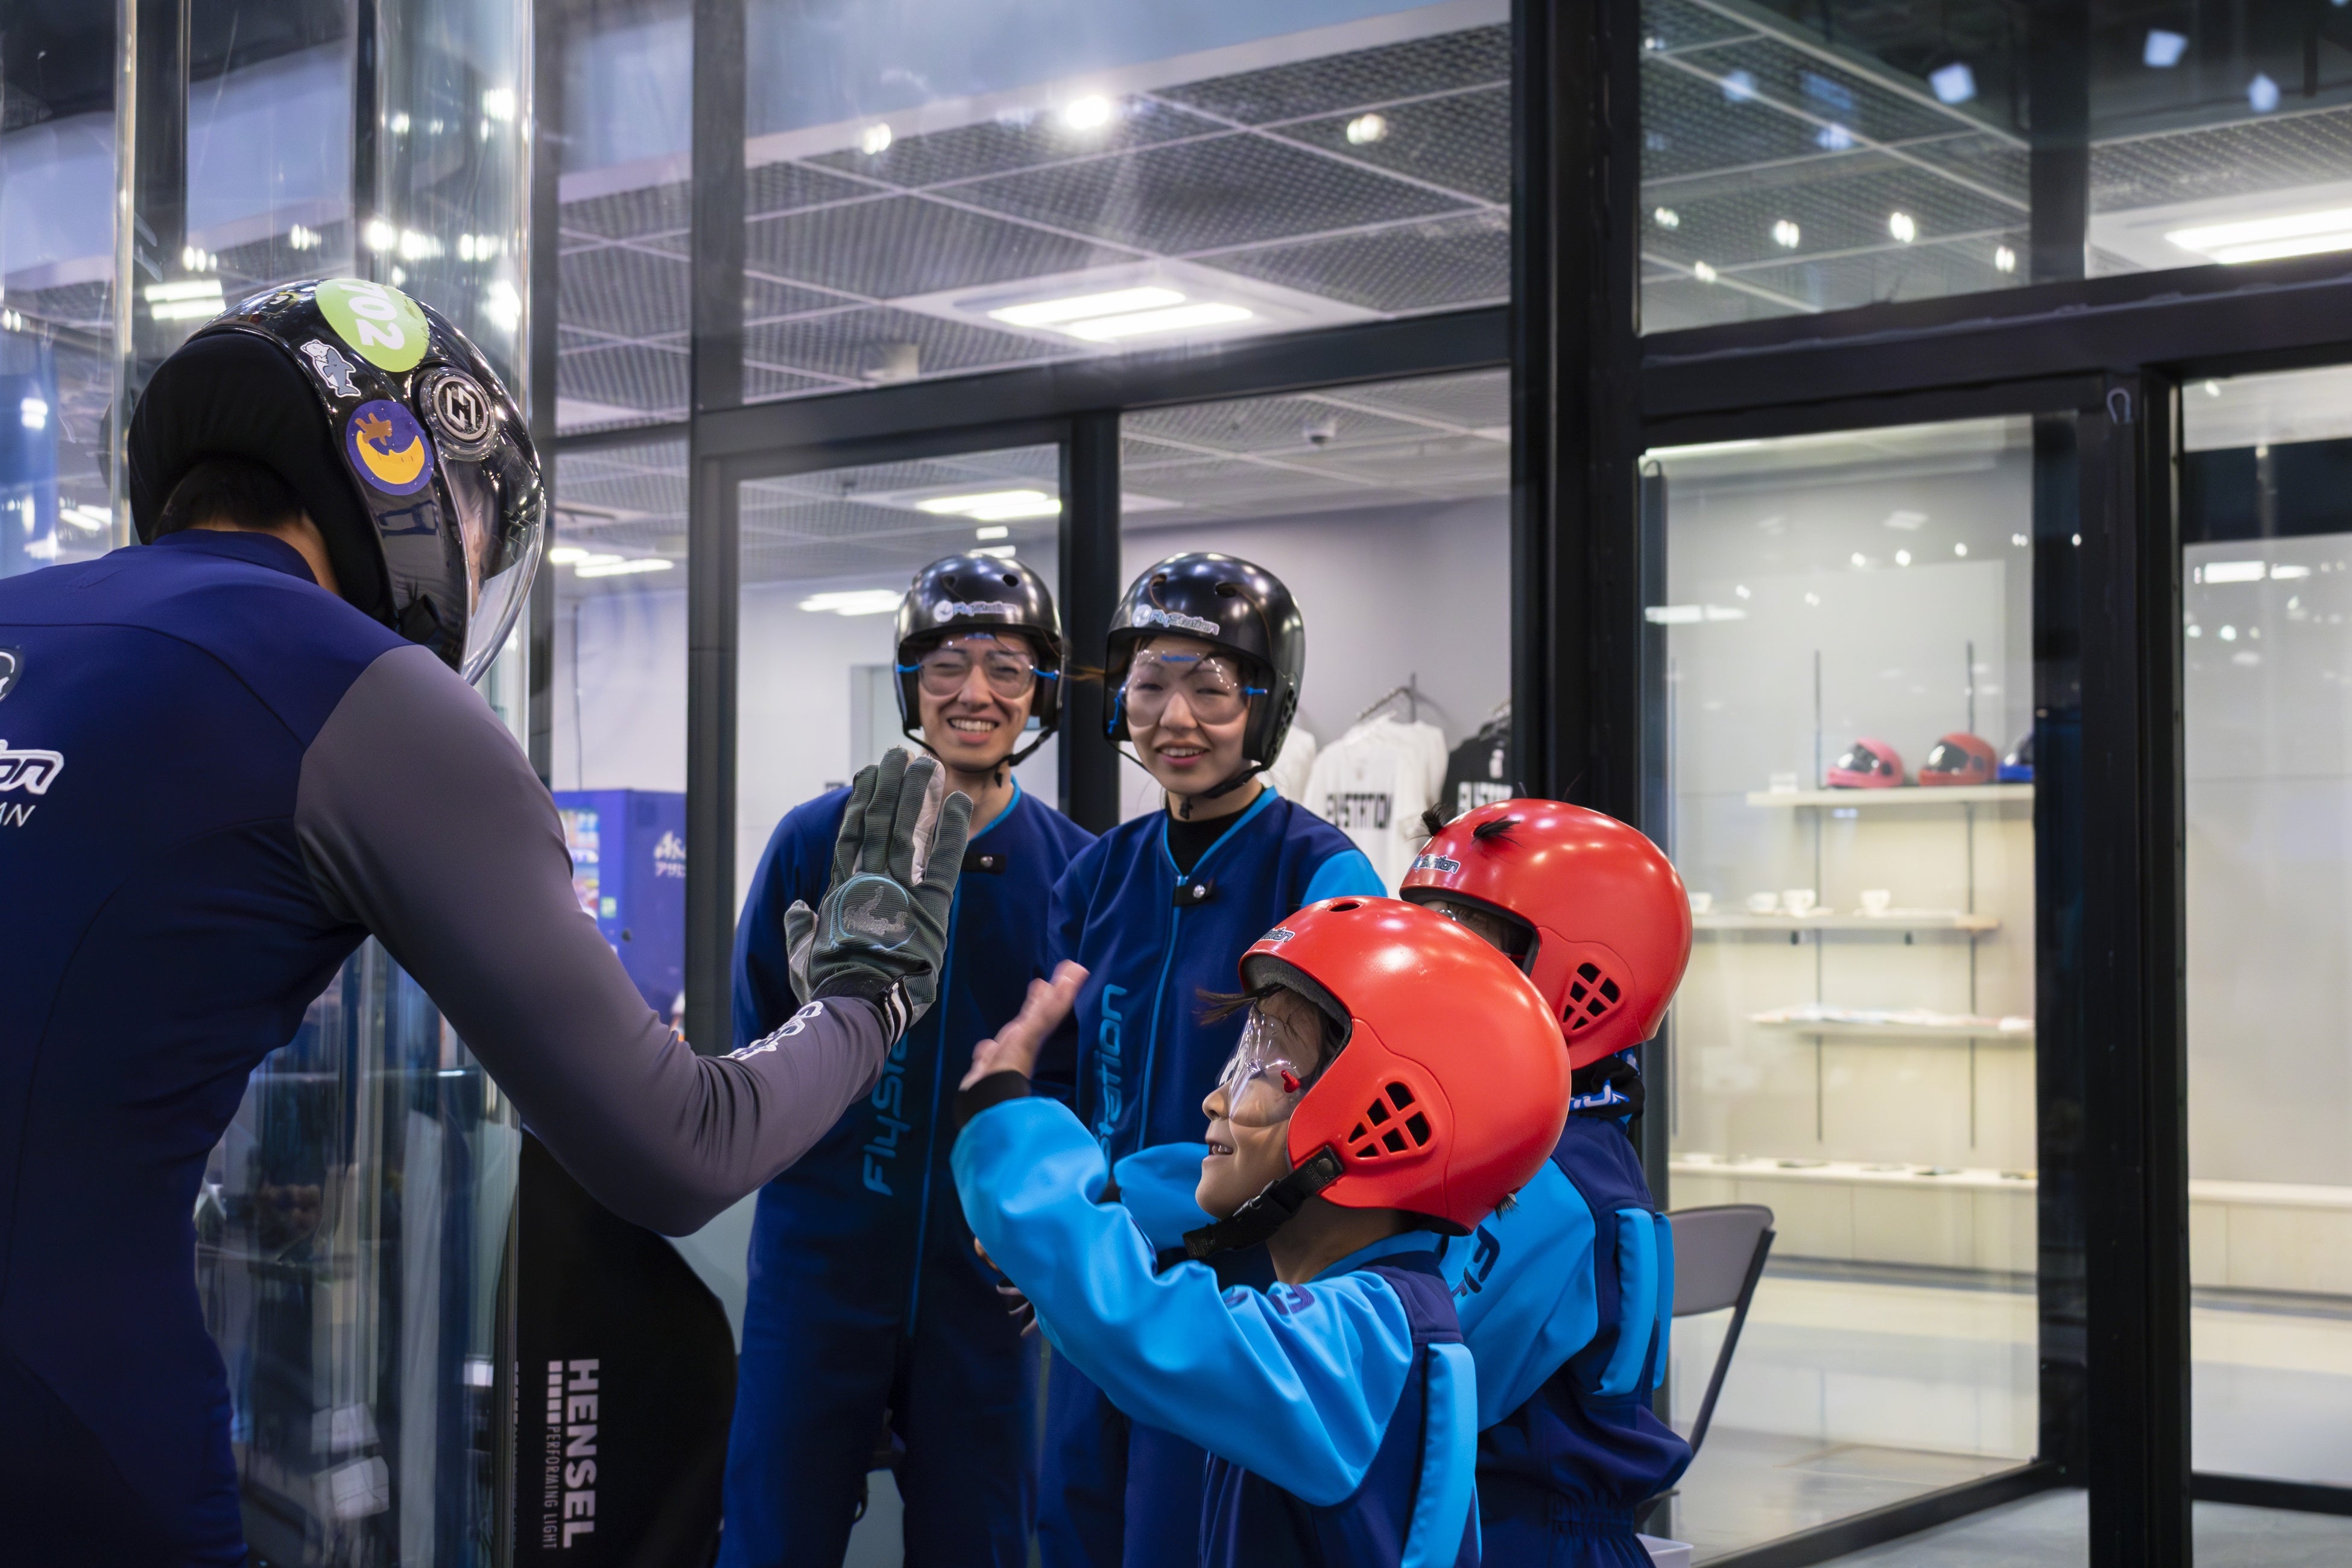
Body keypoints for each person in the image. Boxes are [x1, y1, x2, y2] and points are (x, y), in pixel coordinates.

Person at [0, 280, 969, 1566]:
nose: (469, 559)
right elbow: (682, 1148)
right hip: (64, 1418)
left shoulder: (23, 611)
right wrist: (867, 996)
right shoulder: (361, 689)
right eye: (475, 519)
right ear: (401, 471)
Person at [952, 895, 1573, 1568]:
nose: (1216, 1098)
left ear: (1384, 1116)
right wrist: (1054, 1253)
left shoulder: (1368, 1335)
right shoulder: (1381, 1314)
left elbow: (1145, 1328)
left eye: (1269, 1068)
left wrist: (1006, 1125)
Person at [721, 554, 1095, 1568]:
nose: (976, 692)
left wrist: (1053, 1231)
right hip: (817, 1271)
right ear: (908, 682)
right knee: (770, 1539)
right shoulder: (817, 841)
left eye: (1006, 667)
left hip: (987, 1296)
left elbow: (1087, 1093)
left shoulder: (1076, 874)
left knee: (981, 1544)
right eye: (947, 665)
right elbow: (751, 1042)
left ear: (1040, 690)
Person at [1031, 552, 1383, 1568]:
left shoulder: (1322, 875)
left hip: (1239, 1301)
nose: (1173, 719)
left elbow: (1342, 1100)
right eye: (1149, 686)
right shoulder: (1099, 875)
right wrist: (1051, 1209)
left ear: (1266, 705)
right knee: (1074, 1523)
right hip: (1102, 1282)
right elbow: (1057, 1075)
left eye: (1211, 689)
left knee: (1185, 1540)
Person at [1399, 799, 1696, 1566]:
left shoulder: (1552, 1179)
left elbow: (1409, 1390)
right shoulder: (1533, 1143)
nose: (1426, 978)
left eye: (1464, 949)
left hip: (1524, 1538)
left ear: (1581, 982)